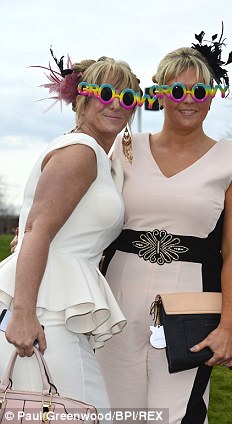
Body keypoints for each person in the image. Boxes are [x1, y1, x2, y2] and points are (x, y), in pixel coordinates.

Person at [96, 34, 232, 423]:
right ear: (160, 93)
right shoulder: (126, 146)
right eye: (178, 89)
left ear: (213, 95)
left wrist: (228, 326)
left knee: (174, 415)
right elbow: (93, 215)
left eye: (200, 90)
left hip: (189, 309)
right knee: (117, 414)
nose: (189, 98)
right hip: (116, 301)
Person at [0, 53, 140, 412]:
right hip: (44, 313)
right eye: (105, 93)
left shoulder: (96, 155)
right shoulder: (80, 152)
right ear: (82, 97)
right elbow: (37, 229)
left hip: (56, 309)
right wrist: (24, 314)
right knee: (74, 412)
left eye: (127, 98)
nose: (116, 104)